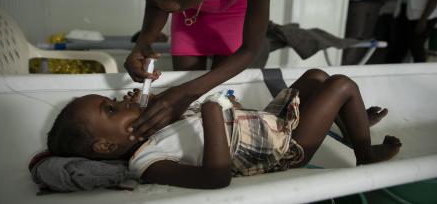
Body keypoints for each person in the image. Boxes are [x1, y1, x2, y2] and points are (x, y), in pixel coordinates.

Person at [47, 69, 401, 189]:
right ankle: (364, 152)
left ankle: (349, 120)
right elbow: (215, 177)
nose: (121, 103)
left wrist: (150, 101)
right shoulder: (147, 162)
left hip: (265, 120)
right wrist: (213, 113)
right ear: (107, 147)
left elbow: (180, 115)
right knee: (338, 84)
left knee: (316, 79)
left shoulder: (154, 129)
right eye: (111, 109)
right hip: (281, 148)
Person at [121, 0, 275, 141]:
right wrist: (143, 43)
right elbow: (158, 1)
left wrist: (187, 93)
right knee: (186, 83)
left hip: (233, 14)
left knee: (222, 93)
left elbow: (249, 49)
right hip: (190, 16)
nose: (169, 6)